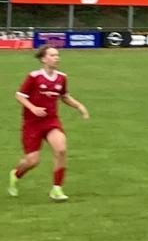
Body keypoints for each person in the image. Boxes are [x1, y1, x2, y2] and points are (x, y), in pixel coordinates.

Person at [9, 45, 89, 201]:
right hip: (32, 123)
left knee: (61, 150)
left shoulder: (62, 77)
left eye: (57, 55)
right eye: (52, 55)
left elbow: (64, 96)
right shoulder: (34, 77)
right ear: (43, 59)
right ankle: (15, 174)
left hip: (51, 121)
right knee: (33, 161)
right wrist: (33, 108)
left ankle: (57, 189)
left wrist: (79, 106)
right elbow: (19, 95)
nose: (56, 58)